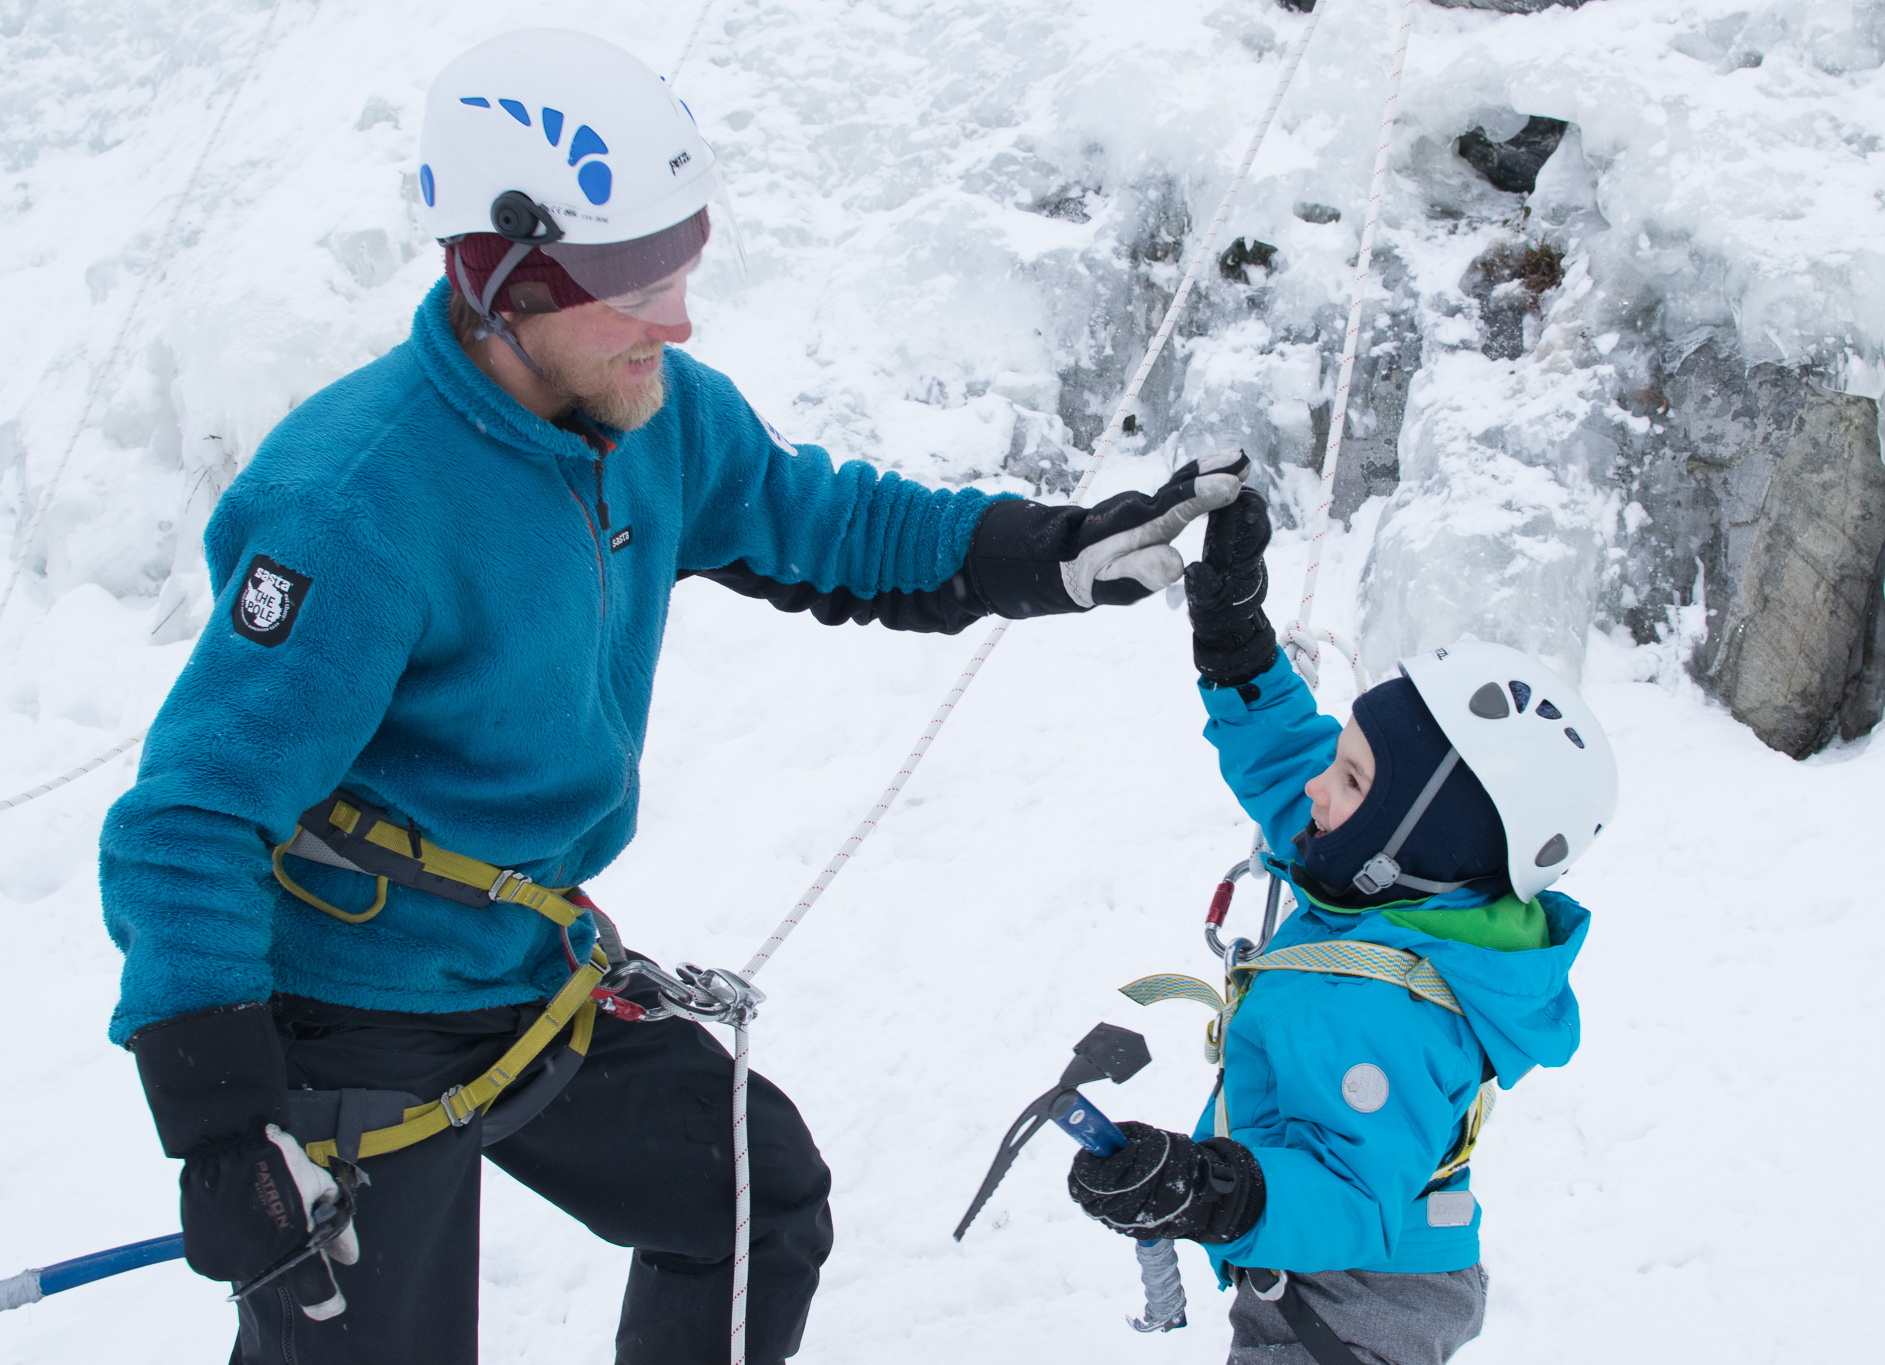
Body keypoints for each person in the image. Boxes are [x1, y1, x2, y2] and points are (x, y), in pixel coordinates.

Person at [100, 28, 1250, 1365]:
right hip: (350, 1008)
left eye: (684, 261)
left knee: (754, 1198)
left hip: (524, 972)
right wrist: (227, 1127)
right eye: (633, 282)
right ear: (500, 278)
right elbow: (191, 813)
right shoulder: (354, 503)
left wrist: (1046, 553)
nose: (680, 316)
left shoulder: (657, 414)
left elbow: (827, 525)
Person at [1064, 488, 1618, 1364]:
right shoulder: (1386, 876)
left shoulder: (1393, 1015)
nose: (1320, 790)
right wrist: (1239, 646)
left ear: (1417, 839)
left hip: (1355, 1304)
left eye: (1352, 778)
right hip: (1316, 1259)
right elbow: (1295, 764)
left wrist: (1211, 1190)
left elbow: (1349, 1198)